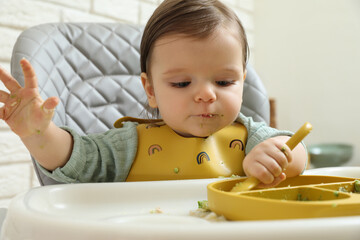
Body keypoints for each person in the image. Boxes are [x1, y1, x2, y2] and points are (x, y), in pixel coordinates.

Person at [0, 0, 307, 187]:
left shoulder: (249, 138)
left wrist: (277, 154)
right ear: (151, 90)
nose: (206, 95)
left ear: (242, 79)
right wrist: (38, 133)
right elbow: (76, 159)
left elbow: (296, 150)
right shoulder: (128, 146)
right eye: (182, 84)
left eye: (225, 82)